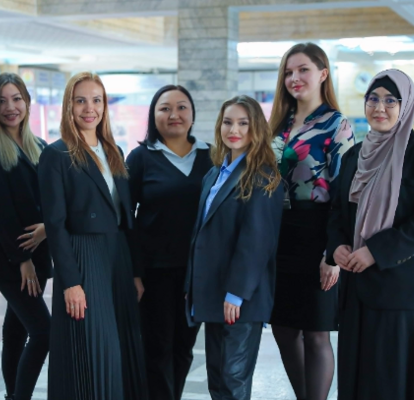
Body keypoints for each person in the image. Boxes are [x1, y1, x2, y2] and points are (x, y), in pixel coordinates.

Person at [326, 69, 414, 400]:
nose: (380, 107)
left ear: (405, 106)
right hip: (355, 287)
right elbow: (337, 211)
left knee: (391, 378)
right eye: (373, 99)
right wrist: (336, 246)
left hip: (399, 289)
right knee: (356, 377)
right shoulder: (354, 156)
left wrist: (375, 251)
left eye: (391, 100)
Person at [39, 72, 148, 400]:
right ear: (68, 106)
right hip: (83, 257)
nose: (90, 108)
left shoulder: (114, 151)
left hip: (118, 256)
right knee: (97, 348)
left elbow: (128, 218)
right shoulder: (56, 155)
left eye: (96, 100)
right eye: (81, 100)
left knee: (125, 347)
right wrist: (70, 282)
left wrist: (135, 272)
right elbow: (55, 224)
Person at [267, 42, 354, 400]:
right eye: (289, 72)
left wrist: (332, 253)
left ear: (323, 73)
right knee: (283, 329)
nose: (295, 78)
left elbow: (345, 193)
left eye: (303, 69)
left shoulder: (337, 124)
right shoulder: (277, 124)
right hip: (278, 235)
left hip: (318, 233)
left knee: (316, 332)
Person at [185, 95, 284, 400]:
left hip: (239, 298)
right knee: (217, 380)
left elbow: (257, 241)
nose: (234, 130)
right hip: (214, 292)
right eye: (228, 122)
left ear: (257, 129)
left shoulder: (263, 176)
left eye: (243, 123)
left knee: (233, 381)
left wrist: (236, 293)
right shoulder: (215, 174)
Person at [127, 84, 212, 400]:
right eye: (165, 108)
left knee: (184, 348)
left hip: (198, 273)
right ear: (153, 115)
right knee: (157, 348)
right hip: (154, 272)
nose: (174, 114)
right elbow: (126, 219)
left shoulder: (212, 156)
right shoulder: (140, 158)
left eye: (181, 107)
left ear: (192, 114)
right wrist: (134, 272)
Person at [0, 73, 51, 400]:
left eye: (17, 98)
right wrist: (23, 260)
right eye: (2, 101)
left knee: (16, 329)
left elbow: (50, 200)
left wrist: (47, 230)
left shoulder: (40, 146)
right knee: (44, 332)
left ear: (27, 102)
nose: (10, 107)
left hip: (40, 252)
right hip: (12, 257)